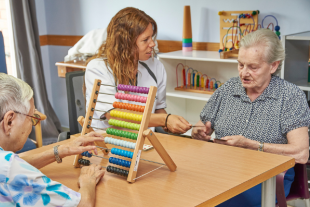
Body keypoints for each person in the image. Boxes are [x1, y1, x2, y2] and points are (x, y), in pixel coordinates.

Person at [192, 29, 310, 207]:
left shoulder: (290, 96)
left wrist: (253, 145)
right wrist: (199, 132)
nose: (243, 73)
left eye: (253, 67)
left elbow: (301, 153)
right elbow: (200, 127)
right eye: (240, 65)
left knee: (212, 200)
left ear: (273, 66)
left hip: (268, 177)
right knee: (184, 189)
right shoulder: (228, 88)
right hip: (222, 169)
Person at [0, 73, 105, 207]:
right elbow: (83, 204)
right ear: (9, 121)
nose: (32, 125)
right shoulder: (9, 168)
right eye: (32, 118)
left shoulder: (6, 165)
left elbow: (12, 165)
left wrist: (58, 151)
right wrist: (88, 182)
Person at [85, 7, 191, 134]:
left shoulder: (156, 66)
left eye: (152, 37)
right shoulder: (98, 68)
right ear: (126, 43)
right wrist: (164, 119)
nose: (152, 44)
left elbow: (158, 109)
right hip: (106, 145)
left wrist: (173, 125)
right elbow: (113, 115)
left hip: (144, 142)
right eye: (145, 40)